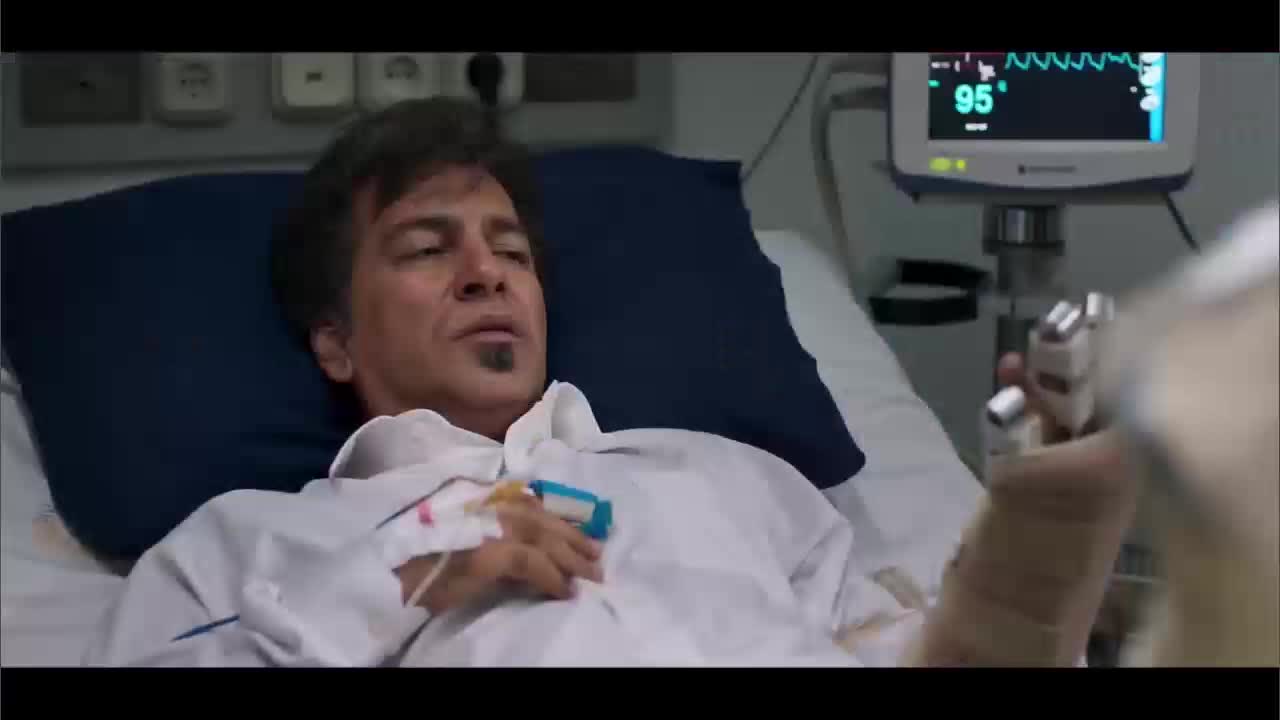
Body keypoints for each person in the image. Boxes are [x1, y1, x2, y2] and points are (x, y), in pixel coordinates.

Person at [84, 98, 1138, 667]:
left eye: (510, 251)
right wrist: (402, 584)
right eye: (426, 249)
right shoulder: (254, 541)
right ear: (335, 346)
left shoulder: (723, 476)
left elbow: (869, 638)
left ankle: (1029, 572)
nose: (487, 273)